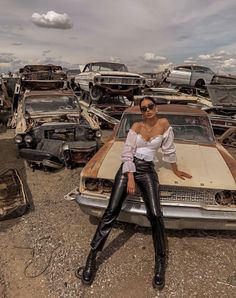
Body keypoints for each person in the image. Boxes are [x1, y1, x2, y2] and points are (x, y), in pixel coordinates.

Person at [79, 96, 192, 290]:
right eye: (143, 108)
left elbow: (169, 149)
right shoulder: (136, 126)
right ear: (141, 112)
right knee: (111, 211)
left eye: (150, 107)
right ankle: (92, 256)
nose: (147, 110)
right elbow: (127, 153)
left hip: (148, 169)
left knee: (155, 214)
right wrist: (130, 177)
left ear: (156, 108)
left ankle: (160, 261)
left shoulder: (164, 124)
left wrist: (175, 169)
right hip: (128, 168)